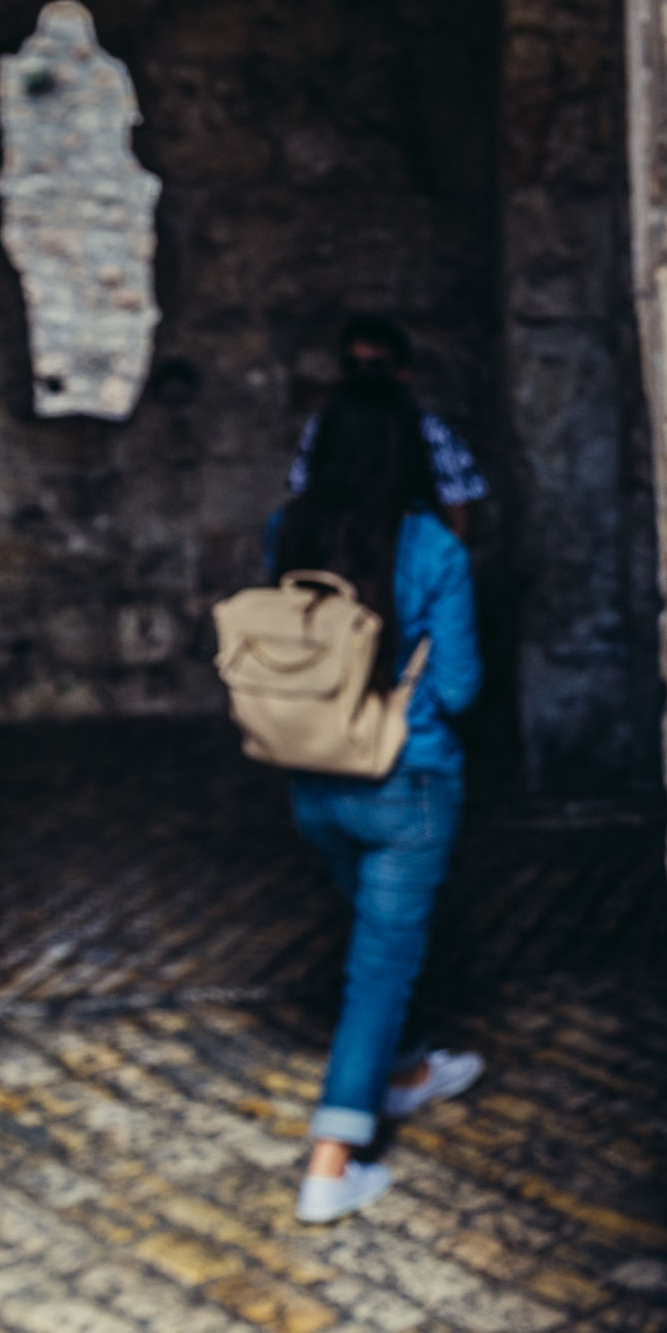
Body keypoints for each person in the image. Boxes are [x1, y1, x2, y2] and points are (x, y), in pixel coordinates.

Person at [270, 374, 486, 1223]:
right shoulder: (433, 547)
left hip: (313, 781)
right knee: (378, 966)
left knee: (375, 945)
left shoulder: (287, 532)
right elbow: (461, 686)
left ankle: (402, 1071)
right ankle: (332, 1162)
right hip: (407, 782)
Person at [289, 315, 487, 541]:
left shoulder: (432, 433)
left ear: (403, 373)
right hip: (338, 557)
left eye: (377, 367)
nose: (364, 377)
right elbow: (302, 498)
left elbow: (457, 516)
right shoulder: (323, 426)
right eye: (353, 365)